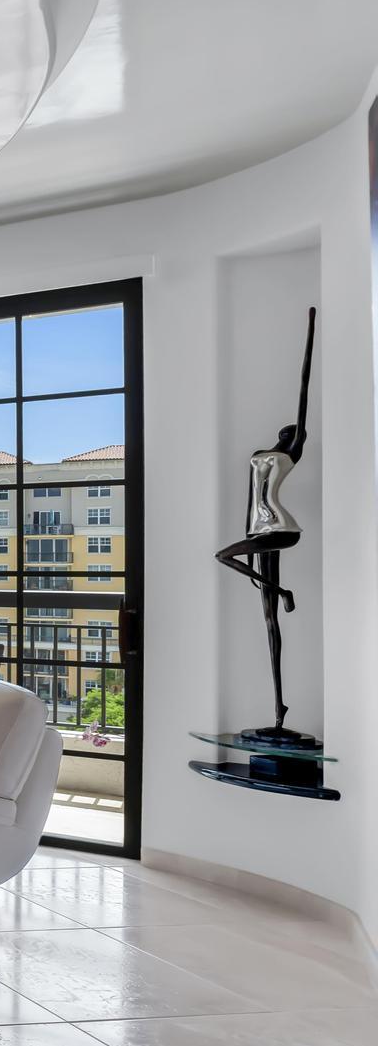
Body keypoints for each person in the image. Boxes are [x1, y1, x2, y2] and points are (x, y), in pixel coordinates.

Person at [214, 307, 314, 738]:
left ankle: (284, 590)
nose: (289, 434)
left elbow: (303, 399)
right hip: (258, 530)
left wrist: (310, 337)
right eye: (289, 432)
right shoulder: (262, 453)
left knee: (223, 556)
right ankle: (279, 707)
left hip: (281, 528)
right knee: (268, 616)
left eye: (294, 433)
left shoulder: (290, 455)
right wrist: (249, 540)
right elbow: (247, 499)